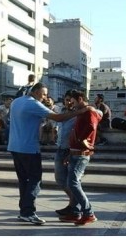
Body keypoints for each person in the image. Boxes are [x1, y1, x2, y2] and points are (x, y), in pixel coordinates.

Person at [7, 84, 87, 225]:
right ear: (36, 92)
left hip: (14, 146)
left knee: (23, 180)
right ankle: (28, 212)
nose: (45, 97)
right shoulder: (33, 104)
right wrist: (81, 112)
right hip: (29, 148)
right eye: (43, 94)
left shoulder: (16, 101)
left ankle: (24, 211)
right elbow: (59, 118)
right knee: (35, 180)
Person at [59, 89, 101, 225]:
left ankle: (88, 213)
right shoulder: (82, 113)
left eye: (73, 100)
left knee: (73, 183)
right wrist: (70, 153)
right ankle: (76, 212)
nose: (70, 102)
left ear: (80, 99)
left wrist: (83, 140)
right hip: (75, 153)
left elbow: (91, 126)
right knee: (73, 183)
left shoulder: (89, 112)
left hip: (81, 154)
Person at [54, 90, 78, 218]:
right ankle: (73, 203)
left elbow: (98, 113)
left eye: (71, 100)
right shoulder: (61, 112)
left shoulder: (79, 114)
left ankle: (73, 206)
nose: (68, 102)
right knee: (60, 179)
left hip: (71, 150)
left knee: (71, 181)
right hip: (60, 148)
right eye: (66, 99)